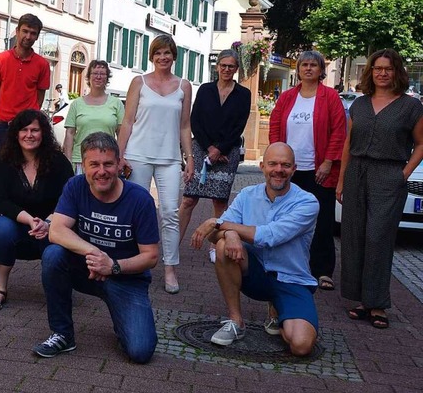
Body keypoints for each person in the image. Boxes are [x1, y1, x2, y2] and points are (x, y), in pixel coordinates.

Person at [33, 132, 159, 363]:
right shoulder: (75, 186)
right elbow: (57, 230)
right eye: (94, 164)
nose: (101, 171)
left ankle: (124, 321)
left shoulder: (140, 200)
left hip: (126, 278)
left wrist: (113, 266)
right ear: (84, 165)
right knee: (53, 254)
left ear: (119, 164)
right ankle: (62, 334)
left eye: (108, 164)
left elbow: (151, 257)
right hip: (88, 270)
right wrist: (96, 254)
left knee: (140, 351)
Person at [191, 142, 319, 357]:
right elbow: (214, 235)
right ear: (262, 166)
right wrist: (229, 234)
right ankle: (236, 321)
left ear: (294, 169)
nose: (279, 170)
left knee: (301, 345)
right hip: (256, 273)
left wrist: (220, 223)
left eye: (285, 165)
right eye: (273, 164)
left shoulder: (307, 202)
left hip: (291, 279)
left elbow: (270, 236)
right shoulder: (247, 195)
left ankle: (277, 309)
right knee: (223, 244)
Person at [337, 48, 423, 329]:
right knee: (354, 236)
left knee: (378, 238)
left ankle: (378, 304)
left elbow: (421, 144)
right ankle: (360, 299)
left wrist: (403, 174)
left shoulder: (411, 107)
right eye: (377, 68)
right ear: (370, 71)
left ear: (397, 72)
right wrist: (341, 179)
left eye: (387, 68)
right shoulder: (359, 105)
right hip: (356, 173)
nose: (382, 73)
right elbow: (348, 144)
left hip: (388, 174)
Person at [117, 34, 194, 294]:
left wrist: (189, 158)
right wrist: (120, 154)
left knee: (170, 212)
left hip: (170, 158)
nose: (163, 57)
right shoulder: (139, 82)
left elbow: (185, 126)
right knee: (136, 211)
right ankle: (134, 263)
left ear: (174, 56)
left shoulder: (184, 86)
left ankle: (170, 268)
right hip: (138, 154)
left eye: (168, 53)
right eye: (158, 53)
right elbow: (127, 121)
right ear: (152, 56)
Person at [269, 50, 346, 291]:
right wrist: (275, 157)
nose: (309, 69)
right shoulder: (288, 97)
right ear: (299, 69)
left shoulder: (330, 96)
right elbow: (274, 125)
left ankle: (322, 270)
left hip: (319, 169)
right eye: (304, 65)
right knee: (285, 216)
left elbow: (339, 132)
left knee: (322, 220)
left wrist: (328, 162)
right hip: (289, 169)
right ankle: (286, 264)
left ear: (321, 70)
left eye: (314, 65)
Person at [0, 13, 51, 256]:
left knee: (29, 182)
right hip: (5, 128)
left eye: (33, 34)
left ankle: (27, 233)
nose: (28, 36)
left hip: (28, 129)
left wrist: (27, 120)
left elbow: (39, 97)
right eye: (25, 31)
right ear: (17, 31)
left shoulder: (42, 64)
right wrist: (5, 117)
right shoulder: (1, 59)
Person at [0, 110, 73, 311]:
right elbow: (1, 201)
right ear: (16, 133)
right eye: (24, 130)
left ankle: (57, 290)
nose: (29, 135)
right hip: (16, 223)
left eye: (35, 130)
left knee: (59, 244)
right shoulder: (3, 161)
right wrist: (31, 220)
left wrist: (48, 222)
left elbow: (68, 198)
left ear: (44, 133)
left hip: (52, 224)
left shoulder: (58, 162)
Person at [179, 49, 250, 254]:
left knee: (220, 201)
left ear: (236, 69)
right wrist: (210, 147)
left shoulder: (243, 94)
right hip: (202, 148)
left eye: (231, 66)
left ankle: (214, 245)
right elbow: (195, 121)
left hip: (228, 151)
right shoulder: (205, 89)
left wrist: (221, 149)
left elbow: (239, 125)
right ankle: (173, 244)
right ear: (217, 66)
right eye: (223, 65)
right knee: (189, 199)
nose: (227, 69)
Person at [63, 60, 124, 173]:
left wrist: (120, 157)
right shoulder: (76, 104)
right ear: (89, 77)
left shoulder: (116, 104)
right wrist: (67, 160)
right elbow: (70, 134)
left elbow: (121, 134)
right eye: (95, 73)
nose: (98, 77)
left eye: (102, 74)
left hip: (106, 161)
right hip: (80, 160)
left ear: (107, 78)